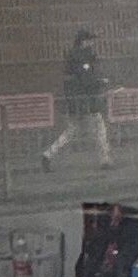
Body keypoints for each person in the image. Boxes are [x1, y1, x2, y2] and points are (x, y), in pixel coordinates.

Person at [41, 27, 112, 170]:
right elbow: (85, 79)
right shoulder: (82, 57)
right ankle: (104, 159)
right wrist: (100, 82)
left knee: (72, 130)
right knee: (99, 126)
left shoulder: (73, 55)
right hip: (85, 101)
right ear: (83, 41)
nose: (92, 43)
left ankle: (48, 154)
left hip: (75, 101)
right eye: (90, 40)